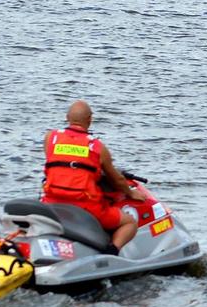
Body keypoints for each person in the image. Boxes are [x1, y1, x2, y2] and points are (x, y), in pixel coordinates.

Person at [41, 100, 144, 253]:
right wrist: (131, 192)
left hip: (51, 201)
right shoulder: (97, 147)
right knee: (130, 222)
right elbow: (117, 180)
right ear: (90, 120)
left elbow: (57, 163)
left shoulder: (51, 138)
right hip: (85, 207)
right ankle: (112, 252)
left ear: (67, 117)